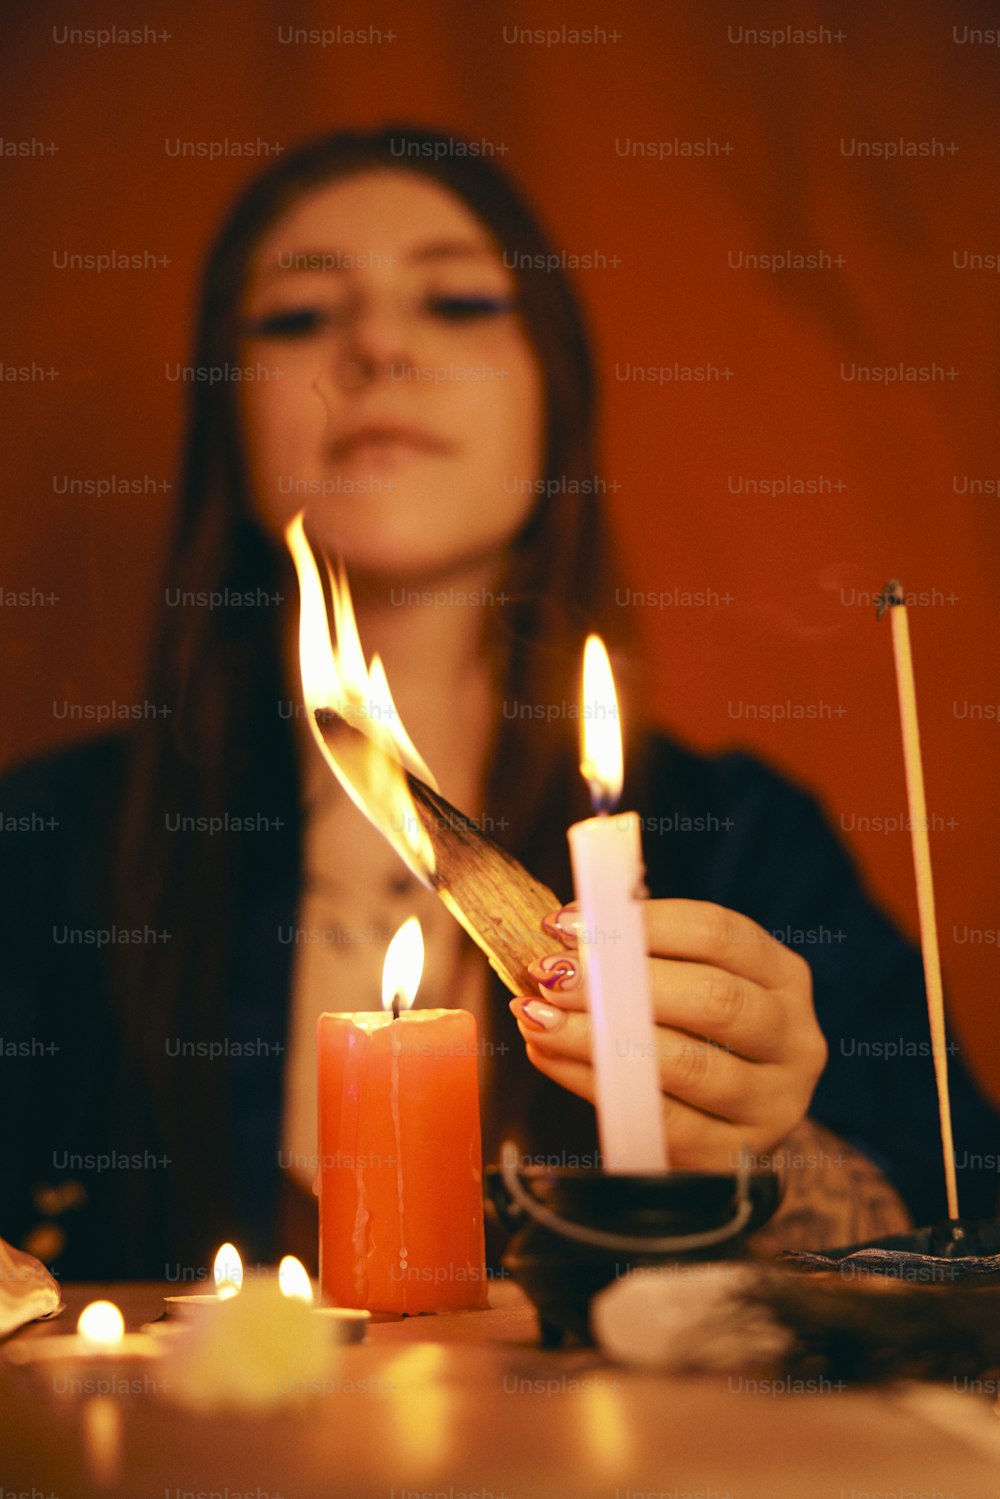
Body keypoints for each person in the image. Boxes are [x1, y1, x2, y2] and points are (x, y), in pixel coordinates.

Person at [2, 125, 996, 1282]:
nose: (375, 345)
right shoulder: (46, 850)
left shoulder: (738, 843)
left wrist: (769, 1145)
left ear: (554, 396)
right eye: (297, 316)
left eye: (458, 303)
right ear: (224, 409)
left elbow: (962, 1265)